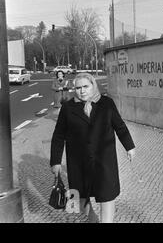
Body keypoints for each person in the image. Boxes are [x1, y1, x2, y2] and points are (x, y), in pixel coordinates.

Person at [50, 72, 136, 223]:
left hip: (104, 158)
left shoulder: (107, 103)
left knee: (107, 194)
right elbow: (58, 135)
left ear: (93, 86)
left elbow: (120, 126)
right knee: (80, 198)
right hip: (78, 161)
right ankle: (93, 220)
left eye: (85, 86)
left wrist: (129, 147)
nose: (82, 91)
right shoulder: (68, 108)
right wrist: (55, 161)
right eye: (78, 88)